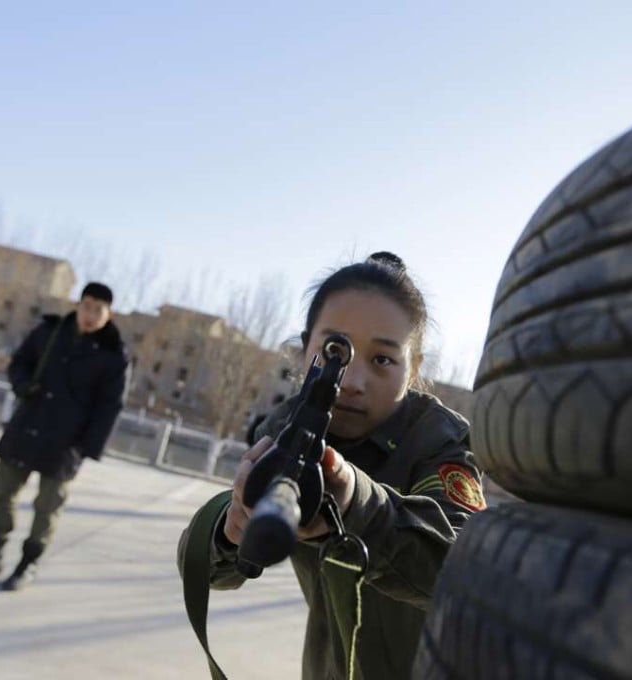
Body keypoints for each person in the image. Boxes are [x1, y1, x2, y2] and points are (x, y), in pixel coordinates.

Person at [178, 253, 487, 678]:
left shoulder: (438, 439)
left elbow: (468, 565)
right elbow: (213, 570)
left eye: (382, 360)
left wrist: (354, 503)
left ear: (413, 369)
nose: (353, 382)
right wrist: (227, 534)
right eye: (335, 351)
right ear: (306, 349)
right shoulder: (284, 429)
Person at [0, 282, 129, 591]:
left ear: (108, 314)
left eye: (98, 310)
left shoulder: (113, 355)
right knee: (0, 491)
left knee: (47, 506)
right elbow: (20, 363)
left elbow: (110, 406)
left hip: (66, 441)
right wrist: (22, 385)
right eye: (86, 306)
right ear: (78, 305)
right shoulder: (49, 332)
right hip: (28, 424)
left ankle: (28, 562)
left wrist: (87, 448)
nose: (90, 315)